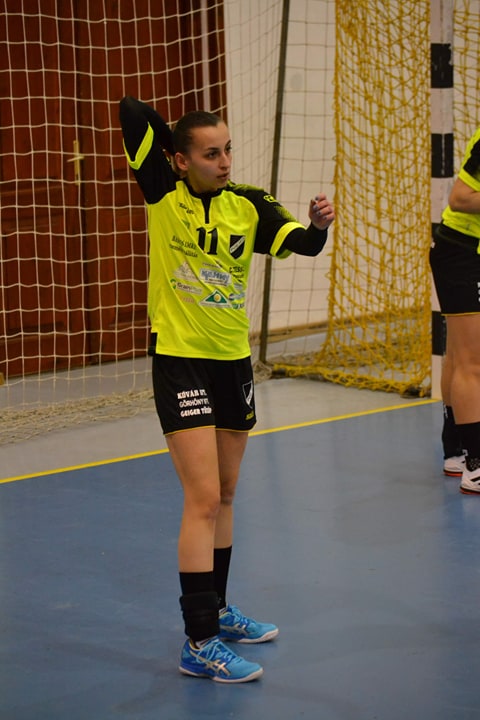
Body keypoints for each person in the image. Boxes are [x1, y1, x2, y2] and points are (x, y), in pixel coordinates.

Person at [119, 95, 335, 682]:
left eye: (228, 150)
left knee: (228, 494)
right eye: (210, 153)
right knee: (204, 499)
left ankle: (217, 608)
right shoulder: (164, 193)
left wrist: (318, 225)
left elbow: (304, 243)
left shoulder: (249, 203)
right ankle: (199, 641)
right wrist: (174, 145)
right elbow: (131, 111)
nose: (224, 162)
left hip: (232, 363)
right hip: (181, 361)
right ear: (181, 160)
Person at [430, 126, 480, 494]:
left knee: (460, 353)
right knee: (472, 362)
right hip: (462, 253)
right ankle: (475, 465)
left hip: (467, 250)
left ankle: (456, 450)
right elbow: (460, 197)